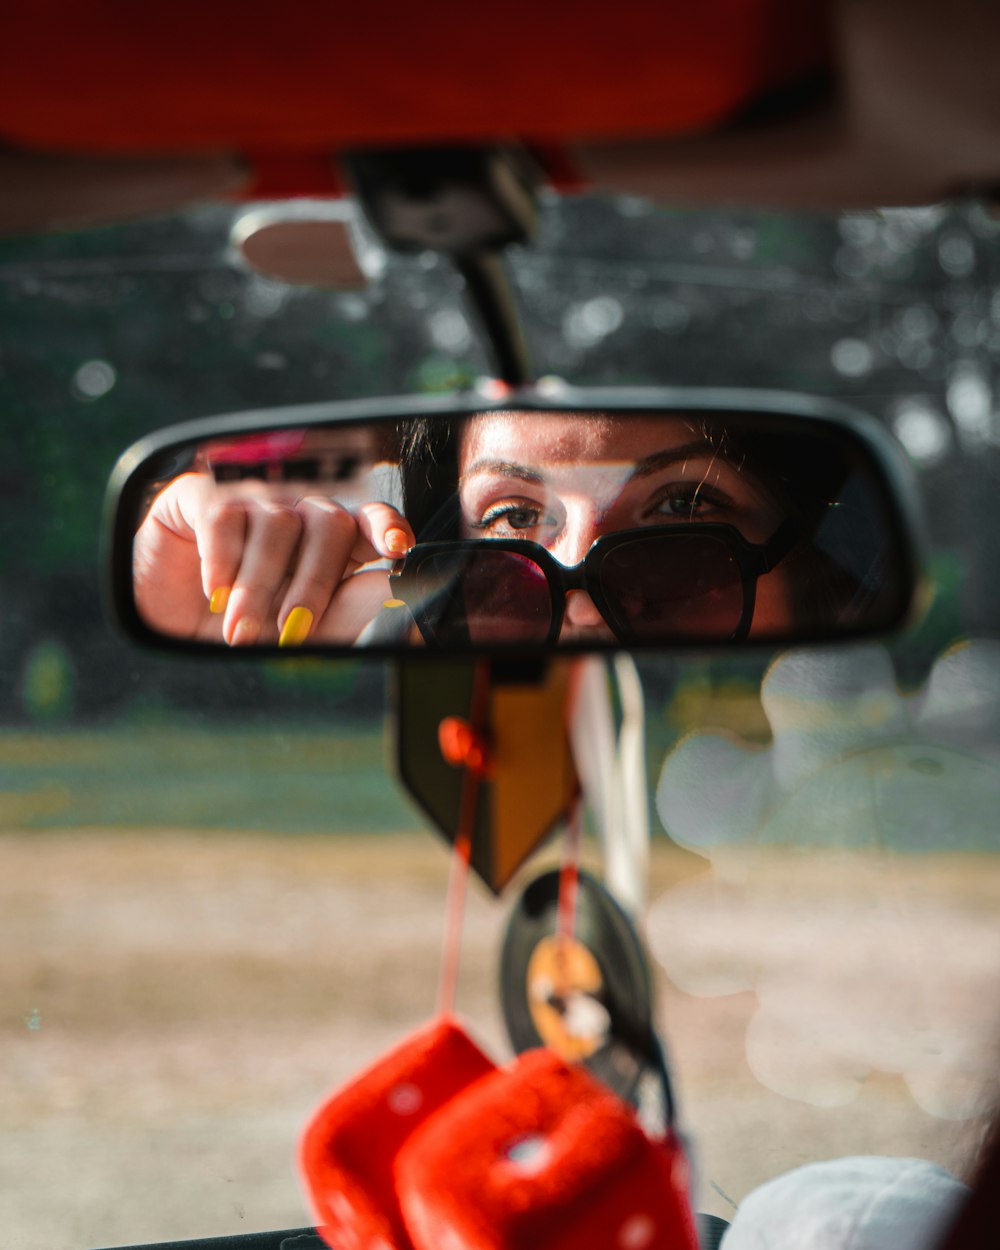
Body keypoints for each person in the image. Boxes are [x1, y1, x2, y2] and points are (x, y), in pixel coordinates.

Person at [129, 408, 871, 648]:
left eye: (682, 504)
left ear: (820, 565)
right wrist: (204, 608)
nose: (577, 581)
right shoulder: (426, 621)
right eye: (513, 516)